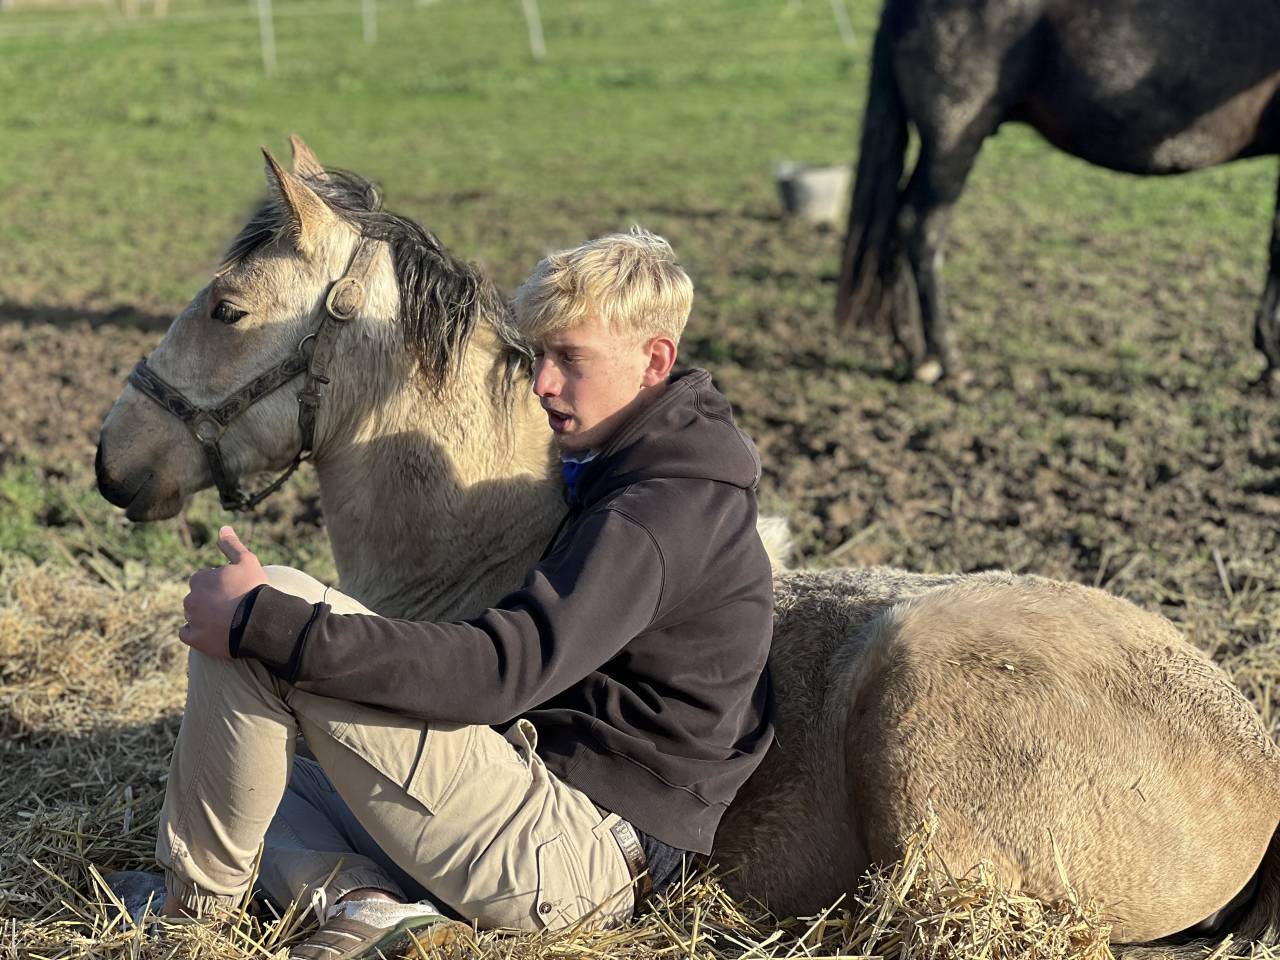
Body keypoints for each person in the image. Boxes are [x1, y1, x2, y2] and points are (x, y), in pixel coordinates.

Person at [158, 227, 775, 957]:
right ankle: (367, 905)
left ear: (654, 360)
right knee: (238, 780)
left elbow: (499, 673)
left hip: (576, 861)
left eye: (570, 359)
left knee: (272, 611)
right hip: (534, 805)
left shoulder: (657, 512)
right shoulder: (636, 472)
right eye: (539, 355)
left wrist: (270, 622)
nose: (543, 383)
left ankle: (189, 930)